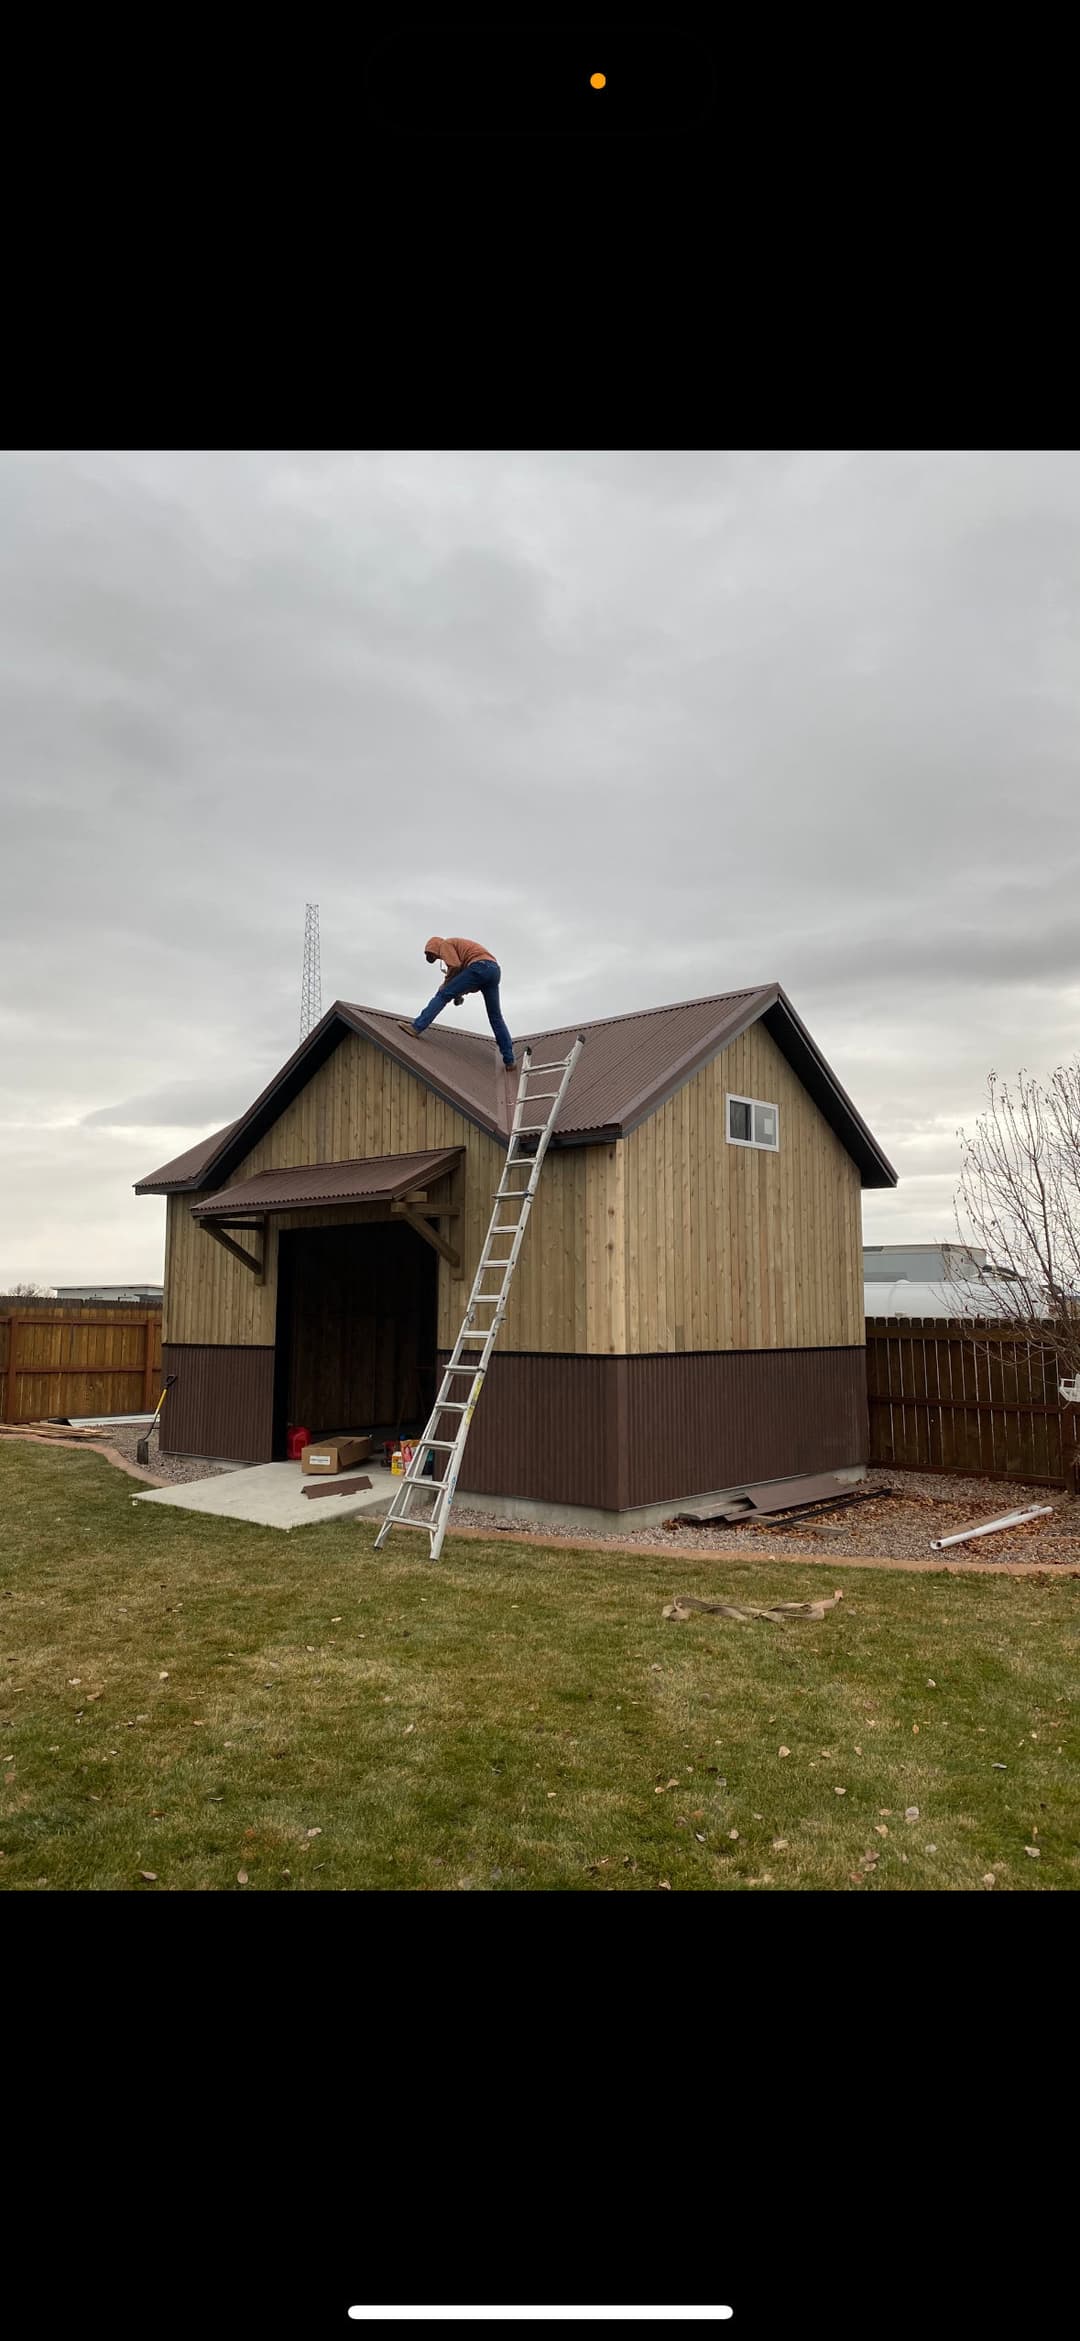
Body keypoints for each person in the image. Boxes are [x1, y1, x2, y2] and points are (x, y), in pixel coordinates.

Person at [400, 936, 514, 1067]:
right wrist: (458, 993)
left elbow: (455, 965)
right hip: (493, 970)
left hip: (479, 966)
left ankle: (416, 1027)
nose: (440, 958)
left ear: (434, 946)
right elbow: (472, 982)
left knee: (442, 995)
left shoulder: (444, 944)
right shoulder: (464, 949)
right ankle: (509, 1059)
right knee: (496, 1016)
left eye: (436, 956)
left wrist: (445, 984)